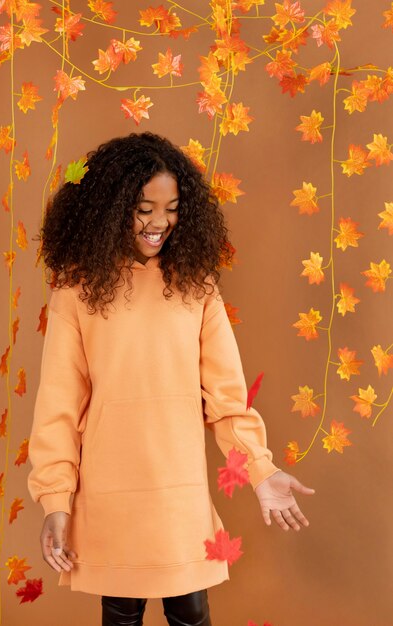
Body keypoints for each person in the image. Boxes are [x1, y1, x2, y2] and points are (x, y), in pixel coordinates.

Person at [27, 131, 315, 626]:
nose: (160, 222)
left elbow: (226, 399)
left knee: (191, 611)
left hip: (178, 490)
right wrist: (55, 498)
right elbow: (58, 407)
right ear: (111, 207)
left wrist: (261, 471)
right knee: (121, 613)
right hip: (108, 492)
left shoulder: (196, 287)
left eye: (172, 207)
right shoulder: (75, 292)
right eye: (144, 208)